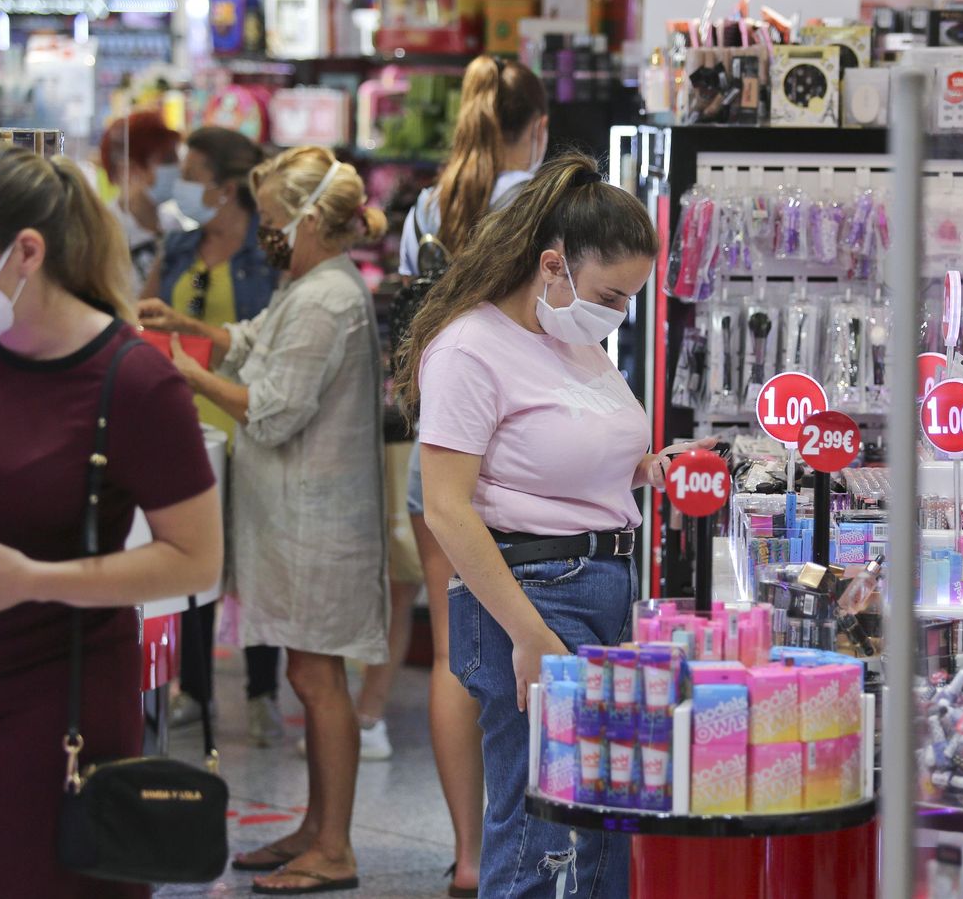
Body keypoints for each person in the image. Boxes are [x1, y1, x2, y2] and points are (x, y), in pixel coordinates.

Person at [0, 140, 223, 899]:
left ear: (26, 252)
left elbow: (195, 559)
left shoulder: (133, 382)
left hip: (58, 708)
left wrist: (34, 580)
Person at [395, 152, 707, 899]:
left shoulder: (571, 337)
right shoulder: (468, 350)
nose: (620, 313)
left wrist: (646, 469)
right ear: (552, 264)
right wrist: (529, 635)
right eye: (611, 295)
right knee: (541, 842)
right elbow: (446, 508)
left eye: (629, 298)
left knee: (596, 827)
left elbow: (560, 456)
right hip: (532, 594)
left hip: (598, 589)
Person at [139, 145, 389, 896]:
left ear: (311, 219)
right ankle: (316, 828)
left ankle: (334, 848)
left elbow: (274, 410)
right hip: (298, 519)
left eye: (276, 218)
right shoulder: (308, 285)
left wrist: (189, 373)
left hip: (317, 523)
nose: (266, 232)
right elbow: (254, 342)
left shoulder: (325, 299)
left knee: (318, 677)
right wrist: (190, 326)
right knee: (307, 673)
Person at [391, 53, 548, 895]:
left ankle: (467, 857)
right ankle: (525, 841)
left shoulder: (430, 205)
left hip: (441, 446)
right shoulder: (545, 206)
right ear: (539, 128)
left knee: (456, 651)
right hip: (526, 459)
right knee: (530, 635)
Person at [142, 125, 283, 741]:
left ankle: (262, 691)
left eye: (191, 174)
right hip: (182, 424)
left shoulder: (267, 254)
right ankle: (194, 689)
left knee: (253, 563)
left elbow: (272, 342)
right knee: (190, 555)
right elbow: (144, 312)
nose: (180, 185)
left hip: (246, 419)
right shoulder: (178, 247)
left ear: (225, 188)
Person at [98, 110, 186, 289]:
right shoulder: (102, 231)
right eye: (168, 159)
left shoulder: (173, 225)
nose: (179, 168)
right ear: (129, 169)